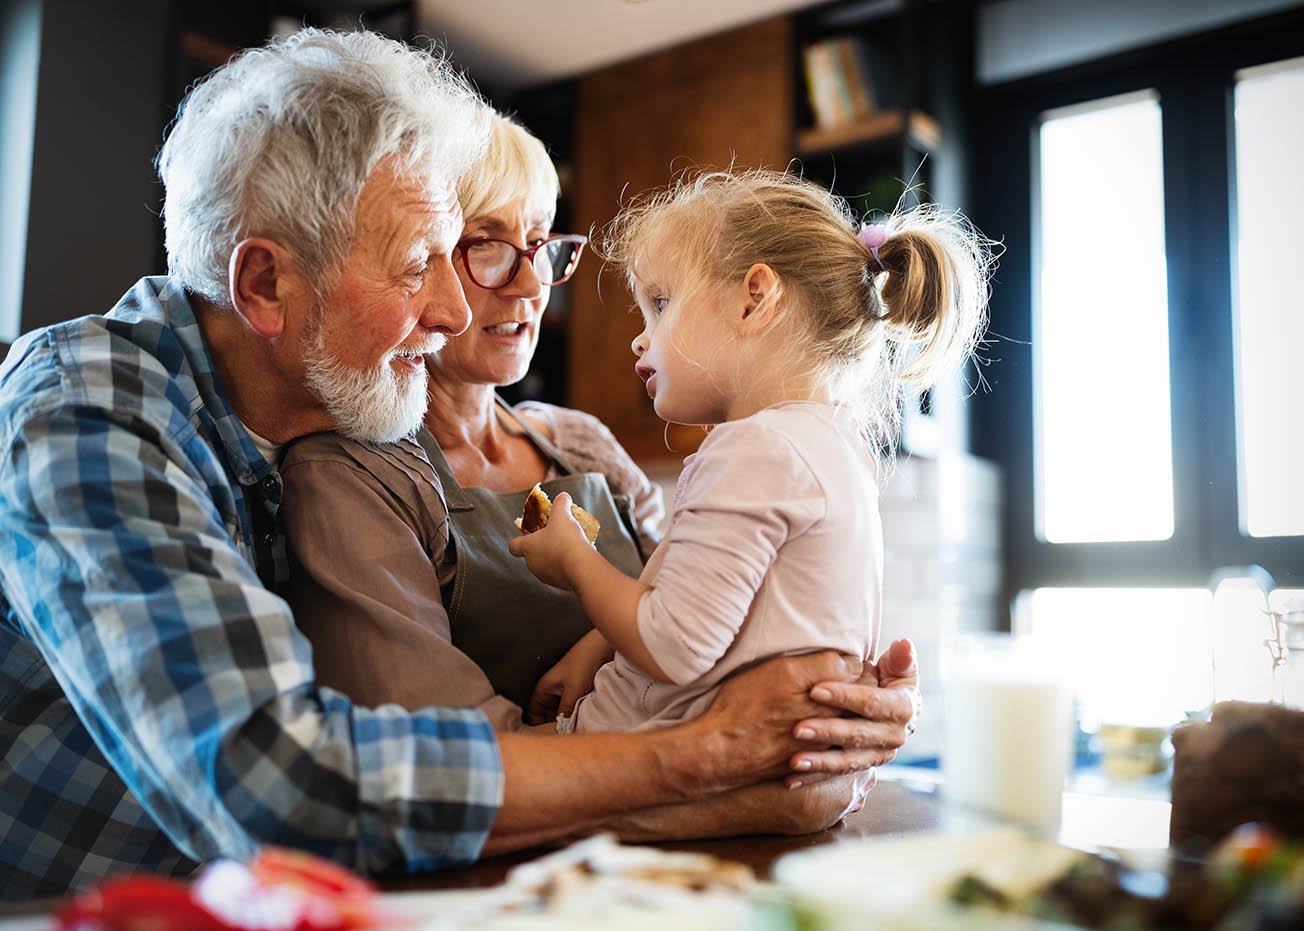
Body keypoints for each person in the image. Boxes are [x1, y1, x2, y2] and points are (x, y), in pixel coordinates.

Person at [0, 31, 917, 901]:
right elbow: (285, 786)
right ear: (265, 287)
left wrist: (832, 706)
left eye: (460, 256)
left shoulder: (319, 424)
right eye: (417, 266)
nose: (452, 308)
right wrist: (724, 752)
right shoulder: (89, 404)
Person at [279, 115, 918, 830]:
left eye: (543, 245)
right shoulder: (349, 474)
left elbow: (708, 619)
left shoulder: (582, 443)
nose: (528, 286)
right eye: (487, 247)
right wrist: (739, 768)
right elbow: (442, 781)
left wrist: (853, 712)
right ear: (414, 260)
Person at [511, 169, 991, 734]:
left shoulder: (753, 448)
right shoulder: (833, 447)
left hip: (633, 764)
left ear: (753, 300)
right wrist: (596, 646)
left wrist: (575, 561)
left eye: (661, 304)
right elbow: (698, 597)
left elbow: (674, 645)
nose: (640, 339)